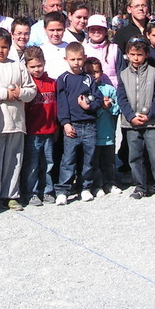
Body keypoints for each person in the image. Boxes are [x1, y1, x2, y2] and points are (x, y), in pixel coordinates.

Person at [0, 28, 36, 211]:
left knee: (14, 160)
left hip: (17, 122)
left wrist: (20, 93)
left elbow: (31, 90)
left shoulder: (17, 65)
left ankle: (11, 195)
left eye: (4, 47)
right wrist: (5, 93)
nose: (0, 51)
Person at [116, 37, 155, 200]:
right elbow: (121, 98)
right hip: (132, 123)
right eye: (132, 54)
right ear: (127, 55)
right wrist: (131, 116)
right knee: (135, 156)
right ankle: (140, 186)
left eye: (139, 54)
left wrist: (149, 115)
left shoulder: (154, 72)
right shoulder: (123, 75)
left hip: (152, 121)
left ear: (146, 54)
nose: (136, 58)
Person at [54, 43, 101, 205]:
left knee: (89, 158)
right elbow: (61, 104)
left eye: (79, 59)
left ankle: (85, 187)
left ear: (85, 58)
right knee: (68, 159)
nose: (76, 63)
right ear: (65, 59)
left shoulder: (88, 78)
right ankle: (63, 189)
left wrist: (89, 106)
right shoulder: (63, 79)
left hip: (89, 125)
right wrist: (65, 123)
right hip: (72, 125)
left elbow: (98, 99)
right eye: (72, 59)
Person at [21, 46, 58, 206]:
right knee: (32, 164)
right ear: (26, 67)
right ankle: (31, 192)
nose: (37, 70)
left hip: (49, 130)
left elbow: (56, 107)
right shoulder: (27, 85)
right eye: (33, 67)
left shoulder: (52, 83)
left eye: (39, 66)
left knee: (48, 162)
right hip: (33, 131)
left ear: (44, 63)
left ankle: (47, 190)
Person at [85, 57, 120, 196]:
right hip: (92, 134)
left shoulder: (109, 89)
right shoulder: (84, 90)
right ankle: (96, 185)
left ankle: (110, 183)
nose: (94, 75)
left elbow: (117, 109)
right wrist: (99, 107)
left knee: (108, 161)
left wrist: (108, 106)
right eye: (90, 72)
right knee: (93, 162)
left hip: (107, 133)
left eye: (97, 72)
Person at [83, 14, 122, 88]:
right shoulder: (84, 49)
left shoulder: (114, 49)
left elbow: (121, 74)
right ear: (88, 31)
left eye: (100, 29)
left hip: (112, 93)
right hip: (90, 93)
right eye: (92, 29)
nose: (96, 31)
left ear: (106, 31)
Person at [40, 11, 70, 80]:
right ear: (45, 29)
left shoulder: (70, 49)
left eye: (59, 30)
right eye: (51, 30)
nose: (55, 33)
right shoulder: (40, 50)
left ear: (64, 29)